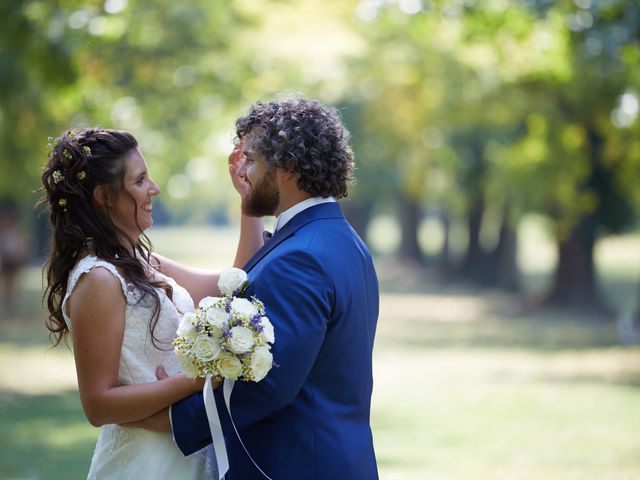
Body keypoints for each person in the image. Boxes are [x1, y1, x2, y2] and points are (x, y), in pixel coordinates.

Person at [164, 97, 380, 479]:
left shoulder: (301, 259)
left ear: (288, 167)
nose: (242, 171)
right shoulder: (340, 239)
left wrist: (168, 418)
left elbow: (269, 385)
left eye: (250, 159)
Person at [40, 128, 262, 479]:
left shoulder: (140, 262)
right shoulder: (98, 278)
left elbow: (232, 286)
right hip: (143, 463)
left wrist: (248, 201)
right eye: (140, 180)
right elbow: (98, 403)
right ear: (104, 196)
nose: (154, 188)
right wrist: (195, 381)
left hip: (186, 450)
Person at [0, 200, 29, 319]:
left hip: (13, 264)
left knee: (13, 288)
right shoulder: (3, 234)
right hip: (6, 264)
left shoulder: (16, 234)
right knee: (8, 288)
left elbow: (21, 250)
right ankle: (9, 309)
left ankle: (12, 310)